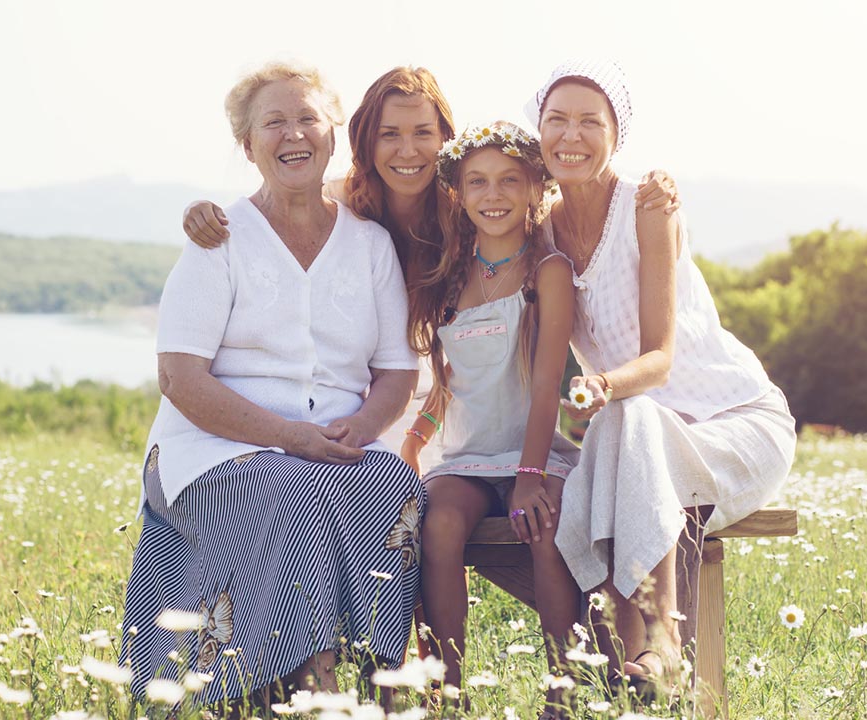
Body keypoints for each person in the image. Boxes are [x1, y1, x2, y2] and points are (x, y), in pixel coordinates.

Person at [179, 67, 681, 465]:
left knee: (415, 491)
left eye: (424, 132)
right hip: (369, 394)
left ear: (446, 140)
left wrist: (655, 184)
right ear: (364, 142)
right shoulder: (344, 207)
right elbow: (272, 210)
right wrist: (200, 211)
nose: (407, 150)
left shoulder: (468, 212)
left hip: (450, 389)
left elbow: (535, 209)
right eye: (388, 134)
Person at [120, 61, 425, 707]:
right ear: (248, 144)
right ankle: (306, 680)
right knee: (289, 486)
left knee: (391, 481)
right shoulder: (218, 239)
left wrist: (363, 428)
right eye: (274, 122)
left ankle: (384, 684)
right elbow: (178, 377)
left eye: (308, 118)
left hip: (339, 443)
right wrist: (290, 437)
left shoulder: (369, 243)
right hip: (214, 447)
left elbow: (398, 369)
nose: (294, 134)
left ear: (333, 133)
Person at [528, 60, 798, 699]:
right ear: (538, 131)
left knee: (629, 417)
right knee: (621, 433)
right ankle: (630, 666)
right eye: (556, 120)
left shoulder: (648, 207)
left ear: (616, 137)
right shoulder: (539, 230)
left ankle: (659, 639)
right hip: (640, 438)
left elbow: (661, 361)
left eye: (590, 122)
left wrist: (601, 388)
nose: (572, 134)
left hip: (734, 424)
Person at [399, 121, 580, 718]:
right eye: (477, 181)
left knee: (546, 526)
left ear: (535, 189)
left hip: (534, 452)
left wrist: (531, 472)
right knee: (439, 524)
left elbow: (549, 383)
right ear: (458, 191)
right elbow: (447, 386)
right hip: (469, 457)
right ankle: (447, 688)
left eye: (509, 180)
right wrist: (411, 445)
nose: (492, 194)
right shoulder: (448, 281)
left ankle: (563, 687)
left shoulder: (546, 273)